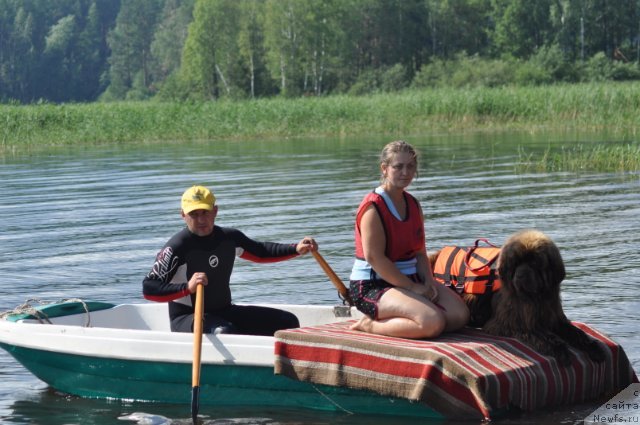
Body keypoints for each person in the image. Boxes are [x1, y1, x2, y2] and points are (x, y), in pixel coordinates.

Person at [143, 185, 317, 335]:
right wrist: (187, 288)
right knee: (224, 331)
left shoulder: (228, 238)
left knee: (287, 322)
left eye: (205, 212)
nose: (201, 219)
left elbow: (261, 252)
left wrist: (296, 248)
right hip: (188, 318)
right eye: (194, 214)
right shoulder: (177, 247)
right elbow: (149, 288)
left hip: (225, 312)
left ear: (215, 211)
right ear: (183, 215)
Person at [349, 141, 469, 338]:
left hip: (409, 280)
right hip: (373, 285)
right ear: (384, 168)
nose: (405, 172)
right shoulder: (373, 207)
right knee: (432, 322)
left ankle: (408, 320)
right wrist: (413, 288)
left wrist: (428, 283)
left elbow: (420, 252)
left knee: (459, 316)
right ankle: (370, 325)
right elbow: (375, 259)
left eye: (410, 166)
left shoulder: (413, 204)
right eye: (398, 166)